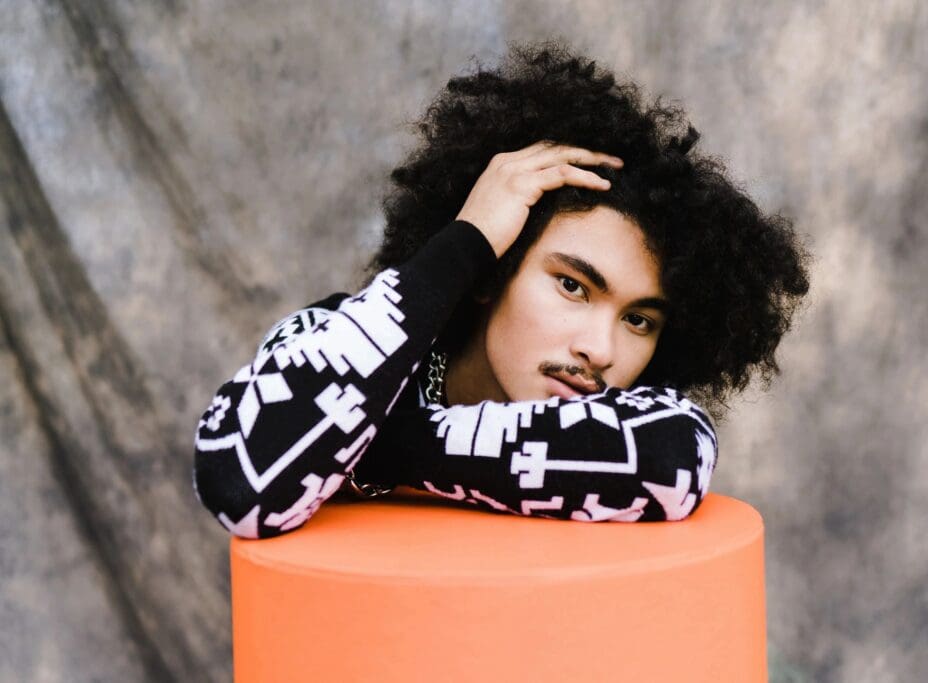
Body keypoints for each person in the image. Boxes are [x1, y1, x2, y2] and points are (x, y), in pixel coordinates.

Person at [192, 41, 812, 538]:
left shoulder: (639, 419)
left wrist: (374, 449)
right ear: (491, 273)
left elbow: (673, 462)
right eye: (573, 285)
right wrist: (466, 241)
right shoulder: (334, 340)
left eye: (639, 320)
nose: (601, 349)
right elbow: (240, 479)